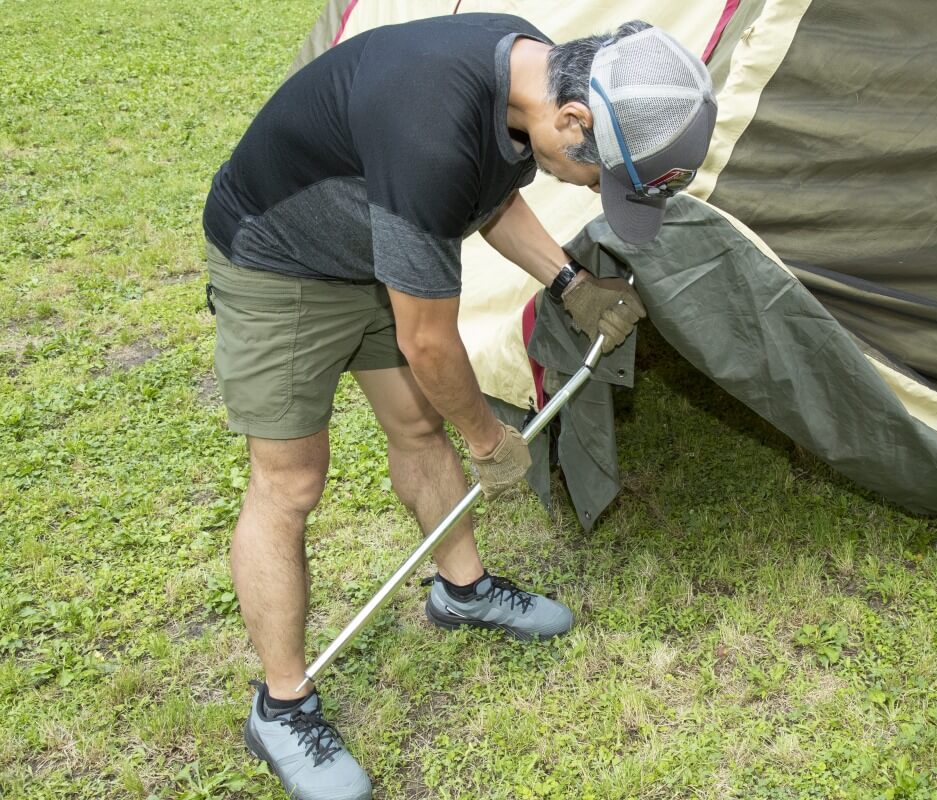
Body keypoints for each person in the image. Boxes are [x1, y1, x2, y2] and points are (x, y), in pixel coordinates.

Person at [202, 12, 716, 800]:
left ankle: (462, 590)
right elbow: (430, 345)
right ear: (572, 118)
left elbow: (489, 196)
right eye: (597, 176)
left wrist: (572, 288)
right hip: (279, 256)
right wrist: (489, 438)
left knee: (414, 426)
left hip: (375, 240)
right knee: (291, 481)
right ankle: (281, 706)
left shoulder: (525, 61)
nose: (587, 189)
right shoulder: (428, 126)